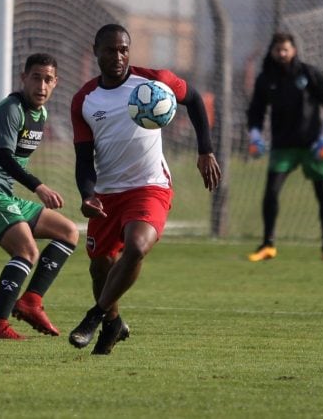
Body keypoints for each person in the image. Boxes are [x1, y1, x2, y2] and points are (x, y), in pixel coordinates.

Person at [68, 24, 222, 355]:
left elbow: (193, 99)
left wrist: (205, 150)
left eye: (124, 49)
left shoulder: (156, 81)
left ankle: (94, 317)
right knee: (100, 267)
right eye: (110, 50)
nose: (118, 56)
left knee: (137, 246)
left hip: (149, 186)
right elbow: (83, 159)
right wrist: (87, 194)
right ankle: (113, 325)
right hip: (107, 193)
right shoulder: (84, 100)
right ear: (96, 51)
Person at [0, 53, 79, 340]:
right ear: (23, 77)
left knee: (68, 232)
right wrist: (38, 186)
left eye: (48, 79)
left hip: (3, 193)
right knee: (26, 251)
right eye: (36, 77)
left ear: (56, 83)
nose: (41, 85)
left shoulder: (42, 114)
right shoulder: (11, 109)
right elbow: (3, 157)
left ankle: (31, 301)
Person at [245, 32, 323, 264]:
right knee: (271, 193)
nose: (282, 54)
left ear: (294, 50)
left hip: (313, 146)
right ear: (272, 51)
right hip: (283, 146)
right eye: (278, 50)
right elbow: (255, 112)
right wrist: (255, 136)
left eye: (286, 49)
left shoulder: (310, 74)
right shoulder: (265, 78)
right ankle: (268, 245)